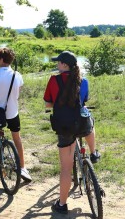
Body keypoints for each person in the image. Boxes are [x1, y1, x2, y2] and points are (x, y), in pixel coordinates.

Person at [43, 50, 100, 214]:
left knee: (66, 169)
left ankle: (62, 204)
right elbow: (84, 100)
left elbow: (48, 104)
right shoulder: (83, 81)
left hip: (65, 127)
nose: (56, 64)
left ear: (64, 65)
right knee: (90, 120)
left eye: (58, 62)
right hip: (81, 125)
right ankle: (93, 152)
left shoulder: (54, 80)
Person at [0, 47, 32, 184]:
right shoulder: (17, 75)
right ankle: (23, 168)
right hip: (13, 113)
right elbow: (17, 94)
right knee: (17, 139)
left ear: (1, 59)